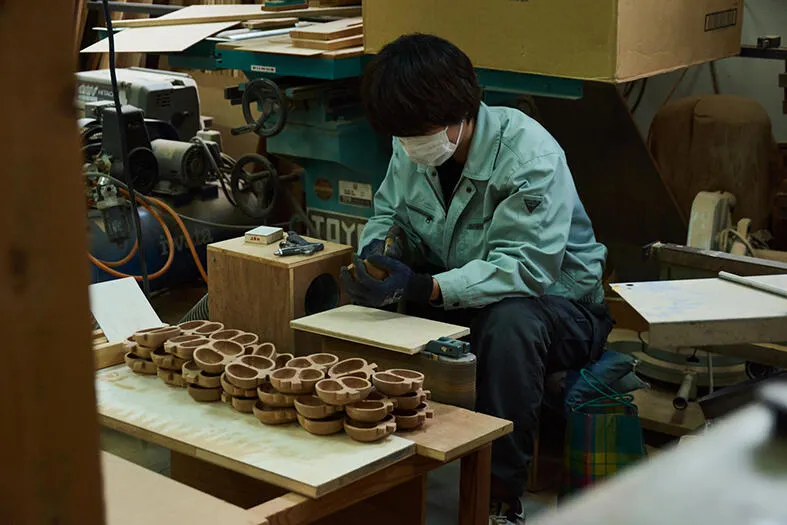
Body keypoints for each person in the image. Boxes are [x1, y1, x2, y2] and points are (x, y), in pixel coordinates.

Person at [340, 33, 613, 525]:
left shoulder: (528, 156)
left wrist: (425, 288)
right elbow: (389, 214)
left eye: (417, 132)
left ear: (459, 111)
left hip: (560, 308)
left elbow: (525, 268)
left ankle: (499, 497)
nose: (409, 145)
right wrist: (380, 252)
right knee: (369, 309)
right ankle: (376, 466)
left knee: (509, 326)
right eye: (401, 135)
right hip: (462, 293)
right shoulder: (412, 143)